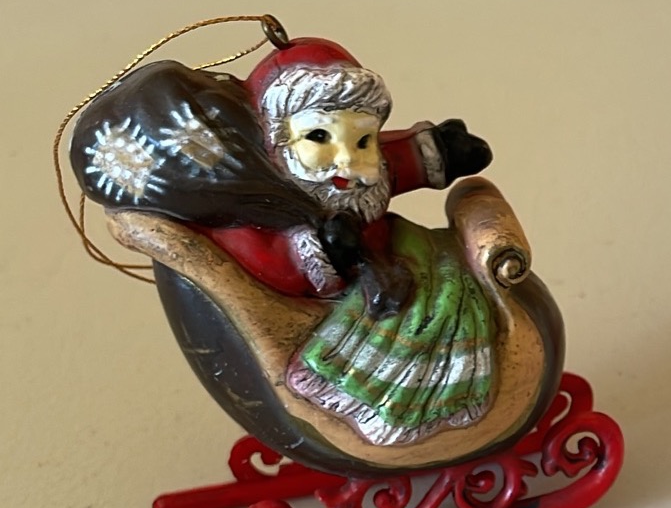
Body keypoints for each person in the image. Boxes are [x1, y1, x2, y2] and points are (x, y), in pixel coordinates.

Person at [73, 36, 501, 445]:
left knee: (451, 283)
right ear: (280, 138)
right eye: (319, 137)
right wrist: (329, 253)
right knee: (422, 325)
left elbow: (393, 164)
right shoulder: (259, 206)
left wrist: (438, 152)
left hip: (400, 255)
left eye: (363, 140)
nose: (348, 160)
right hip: (344, 304)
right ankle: (407, 401)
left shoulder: (350, 172)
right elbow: (273, 266)